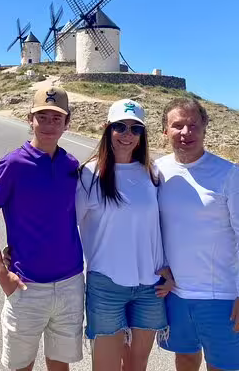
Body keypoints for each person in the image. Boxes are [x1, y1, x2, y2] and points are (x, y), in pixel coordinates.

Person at [0, 86, 85, 371]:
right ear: (30, 119)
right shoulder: (12, 164)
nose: (49, 124)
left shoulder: (71, 165)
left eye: (56, 118)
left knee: (60, 365)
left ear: (67, 123)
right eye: (43, 117)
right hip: (26, 286)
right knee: (21, 365)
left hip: (70, 284)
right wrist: (0, 271)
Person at [156, 97, 239, 371]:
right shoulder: (157, 170)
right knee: (185, 359)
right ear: (165, 131)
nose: (185, 132)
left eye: (193, 125)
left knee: (223, 366)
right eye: (177, 125)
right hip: (176, 296)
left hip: (221, 297)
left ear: (205, 127)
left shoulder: (228, 174)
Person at [77, 98, 174, 371]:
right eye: (120, 126)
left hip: (149, 286)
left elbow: (162, 227)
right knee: (106, 367)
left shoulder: (152, 173)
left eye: (135, 129)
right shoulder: (90, 174)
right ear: (107, 129)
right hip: (106, 285)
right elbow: (66, 224)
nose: (127, 135)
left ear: (143, 135)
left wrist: (169, 268)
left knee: (136, 366)